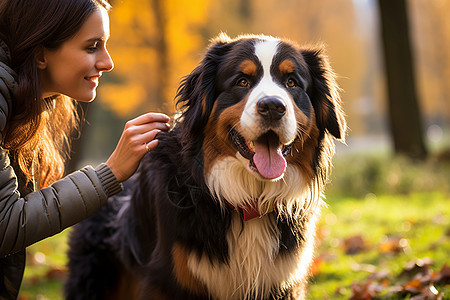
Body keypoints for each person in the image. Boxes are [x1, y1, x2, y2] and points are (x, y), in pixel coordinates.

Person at [0, 0, 170, 297]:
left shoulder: (27, 103)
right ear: (40, 53)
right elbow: (5, 225)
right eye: (92, 47)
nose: (107, 62)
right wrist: (112, 172)